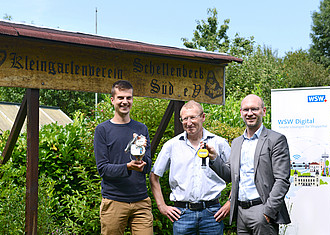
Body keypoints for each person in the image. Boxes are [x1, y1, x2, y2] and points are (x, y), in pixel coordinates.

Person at [208, 94, 291, 235]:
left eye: (254, 109)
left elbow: (282, 180)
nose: (250, 113)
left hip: (262, 210)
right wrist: (215, 158)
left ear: (264, 111)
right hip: (240, 212)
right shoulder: (236, 142)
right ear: (241, 113)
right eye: (246, 110)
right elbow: (230, 176)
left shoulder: (276, 140)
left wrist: (268, 212)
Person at [150, 100, 231, 235]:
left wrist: (230, 202)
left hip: (212, 213)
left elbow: (236, 175)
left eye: (193, 117)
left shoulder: (219, 143)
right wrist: (162, 206)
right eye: (185, 119)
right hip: (182, 214)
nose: (189, 122)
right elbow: (154, 176)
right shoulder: (172, 145)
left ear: (203, 117)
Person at [94, 80, 153, 235]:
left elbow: (147, 167)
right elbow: (103, 169)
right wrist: (128, 167)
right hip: (114, 201)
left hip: (141, 201)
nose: (125, 102)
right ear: (112, 100)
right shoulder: (102, 130)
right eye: (121, 98)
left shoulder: (141, 129)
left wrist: (140, 155)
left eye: (129, 98)